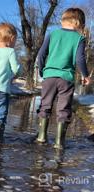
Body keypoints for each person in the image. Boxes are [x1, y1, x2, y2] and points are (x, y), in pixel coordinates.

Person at [37, 8, 91, 149]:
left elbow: (41, 54)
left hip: (49, 76)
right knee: (63, 108)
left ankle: (41, 137)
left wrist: (42, 70)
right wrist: (85, 75)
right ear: (79, 23)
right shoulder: (79, 39)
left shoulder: (52, 34)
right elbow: (80, 59)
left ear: (62, 21)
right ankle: (59, 142)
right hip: (65, 79)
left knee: (45, 105)